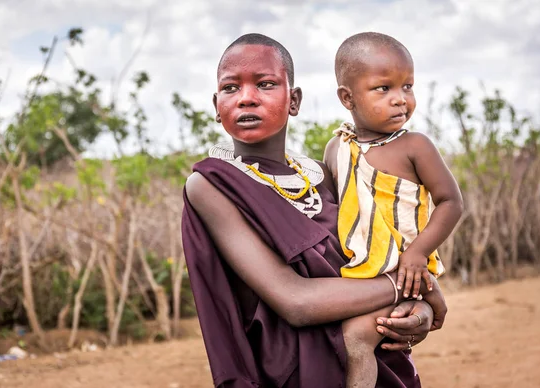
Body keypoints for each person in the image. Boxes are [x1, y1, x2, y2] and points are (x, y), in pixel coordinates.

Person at [182, 33, 447, 388]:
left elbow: (380, 259)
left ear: (294, 101)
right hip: (294, 375)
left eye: (265, 84)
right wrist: (417, 288)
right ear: (216, 105)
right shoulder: (211, 185)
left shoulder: (327, 173)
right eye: (231, 88)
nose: (246, 98)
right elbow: (296, 301)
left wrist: (418, 312)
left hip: (376, 364)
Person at [323, 32, 463, 387]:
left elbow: (451, 201)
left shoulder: (415, 146)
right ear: (347, 97)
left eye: (408, 86)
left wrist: (418, 253)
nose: (401, 99)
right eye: (383, 88)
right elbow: (331, 212)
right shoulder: (335, 150)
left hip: (407, 273)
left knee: (357, 338)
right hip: (357, 276)